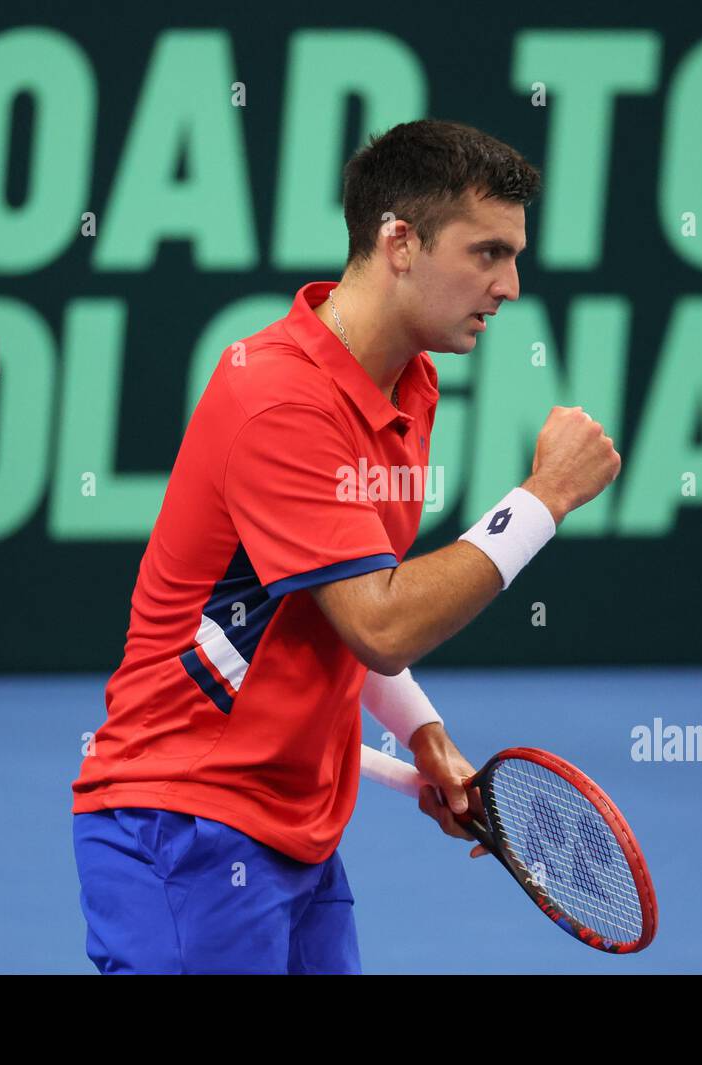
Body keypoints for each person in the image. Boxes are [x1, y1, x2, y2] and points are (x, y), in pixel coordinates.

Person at [71, 118, 622, 974]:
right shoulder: (282, 402)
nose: (510, 285)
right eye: (487, 253)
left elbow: (333, 599)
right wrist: (544, 498)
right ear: (399, 242)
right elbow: (382, 622)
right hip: (188, 822)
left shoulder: (408, 382)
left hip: (294, 831)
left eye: (514, 256)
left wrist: (423, 728)